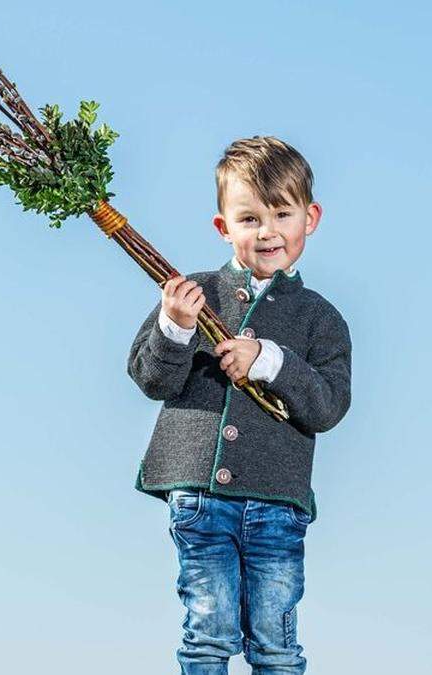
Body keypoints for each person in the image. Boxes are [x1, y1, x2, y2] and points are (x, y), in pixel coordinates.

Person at [127, 136, 351, 674]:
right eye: (249, 218)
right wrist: (174, 328)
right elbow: (150, 378)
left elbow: (328, 404)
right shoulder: (191, 293)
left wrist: (271, 362)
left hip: (277, 501)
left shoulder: (322, 318)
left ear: (310, 218)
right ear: (223, 227)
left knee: (275, 641)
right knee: (208, 632)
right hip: (199, 495)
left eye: (282, 213)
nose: (267, 231)